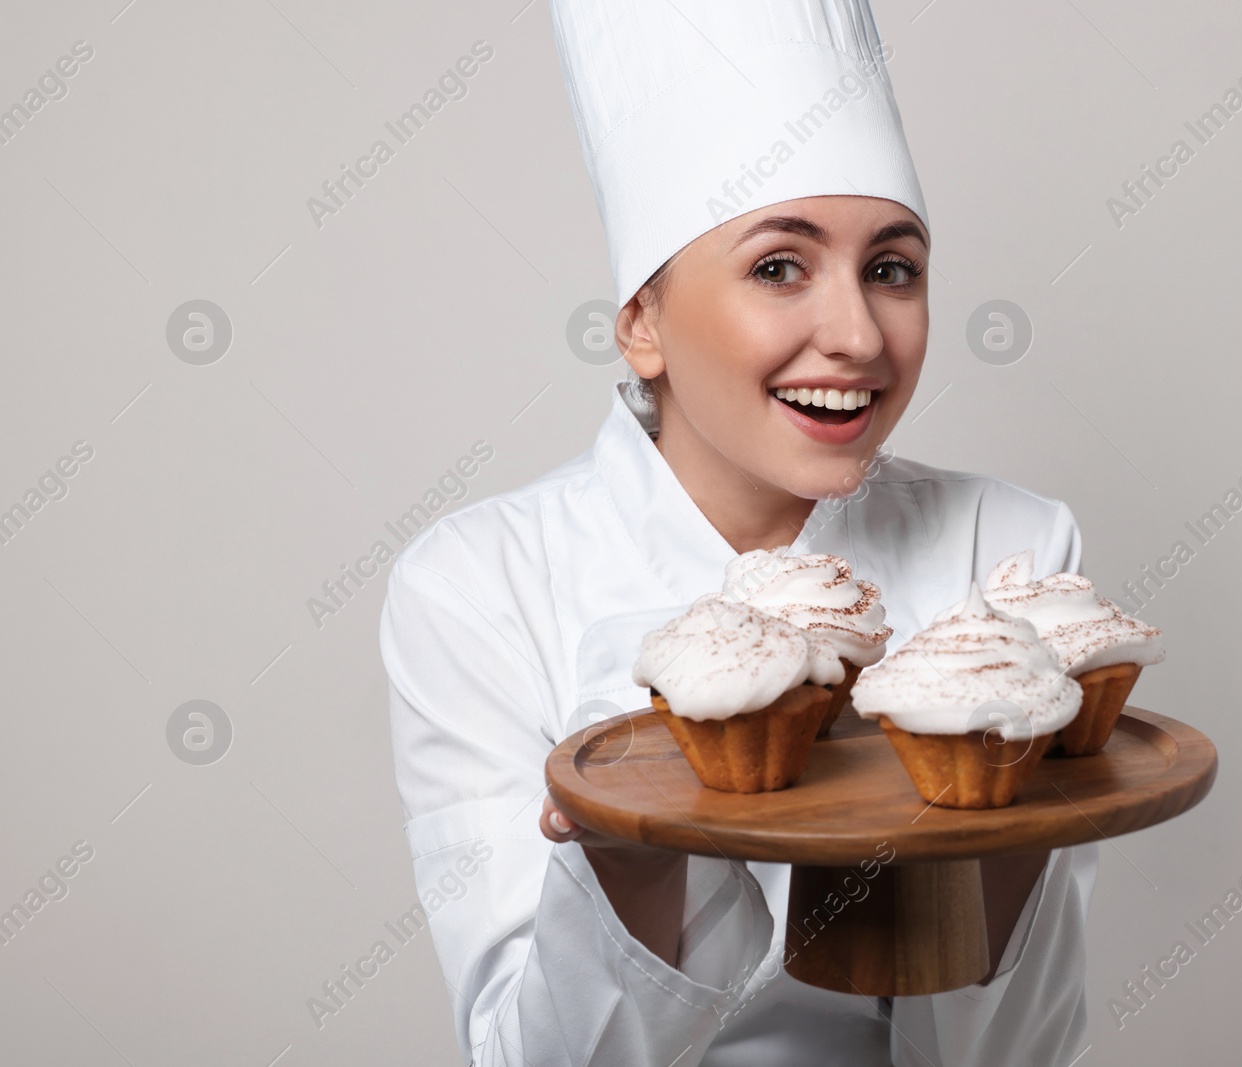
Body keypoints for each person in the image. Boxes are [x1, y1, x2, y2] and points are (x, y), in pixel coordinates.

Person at [380, 2, 1096, 1063]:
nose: (857, 335)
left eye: (891, 268)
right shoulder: (480, 583)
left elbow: (1018, 1055)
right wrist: (630, 856)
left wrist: (1002, 807)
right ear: (642, 321)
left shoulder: (1013, 551)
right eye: (778, 267)